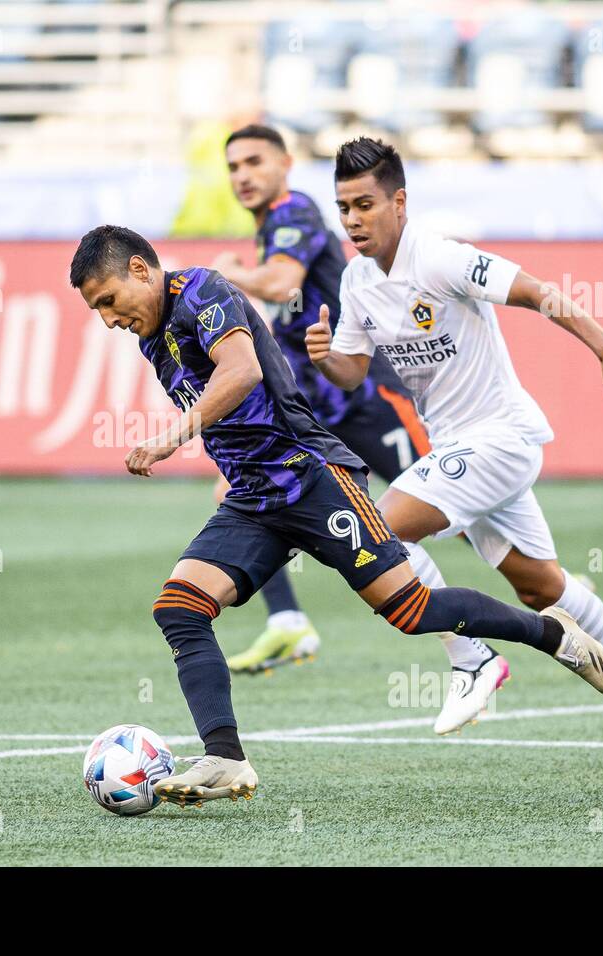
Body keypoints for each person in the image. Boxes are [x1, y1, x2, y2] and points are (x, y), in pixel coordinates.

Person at [68, 225, 603, 805]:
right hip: (254, 497)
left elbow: (244, 371)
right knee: (179, 608)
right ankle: (226, 758)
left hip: (314, 478)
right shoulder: (152, 339)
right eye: (96, 310)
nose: (108, 319)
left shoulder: (204, 291)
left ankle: (553, 634)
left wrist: (171, 435)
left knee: (412, 611)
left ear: (139, 270)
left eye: (108, 300)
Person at [308, 137, 603, 765]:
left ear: (399, 202)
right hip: (461, 449)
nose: (352, 220)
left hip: (499, 438)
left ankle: (472, 657)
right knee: (540, 588)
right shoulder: (356, 279)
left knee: (377, 530)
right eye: (344, 207)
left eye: (365, 204)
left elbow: (540, 293)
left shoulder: (442, 259)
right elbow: (352, 370)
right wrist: (328, 359)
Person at [210, 124, 430, 675]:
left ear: (285, 163)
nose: (243, 176)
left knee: (445, 502)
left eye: (254, 162)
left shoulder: (296, 213)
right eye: (234, 167)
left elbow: (283, 283)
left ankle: (547, 581)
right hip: (313, 409)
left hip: (364, 393)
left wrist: (227, 276)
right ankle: (288, 623)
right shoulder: (272, 226)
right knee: (241, 488)